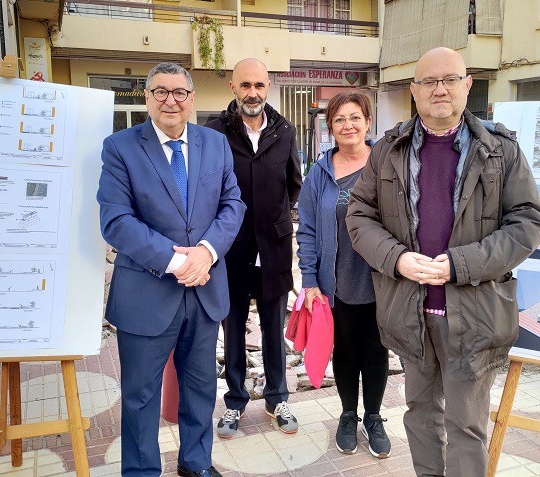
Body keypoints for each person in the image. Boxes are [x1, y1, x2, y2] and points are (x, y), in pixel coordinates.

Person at [346, 47, 540, 476]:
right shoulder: (389, 149)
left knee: (467, 425)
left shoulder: (500, 150)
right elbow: (359, 215)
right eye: (429, 82)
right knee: (419, 415)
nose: (440, 90)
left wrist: (460, 264)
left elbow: (528, 221)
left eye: (450, 80)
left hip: (474, 316)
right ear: (414, 91)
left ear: (467, 86)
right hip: (410, 310)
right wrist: (397, 259)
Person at [97, 62, 246, 477]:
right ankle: (143, 472)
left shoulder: (214, 144)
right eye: (160, 91)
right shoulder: (120, 147)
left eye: (179, 92)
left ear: (192, 98)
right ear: (146, 97)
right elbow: (116, 220)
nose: (170, 100)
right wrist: (179, 261)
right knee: (141, 397)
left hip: (205, 291)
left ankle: (196, 464)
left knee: (200, 390)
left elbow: (233, 204)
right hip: (147, 294)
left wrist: (206, 251)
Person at [205, 58, 302, 438]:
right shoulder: (214, 134)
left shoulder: (285, 131)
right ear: (233, 87)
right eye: (246, 85)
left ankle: (277, 397)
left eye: (260, 85)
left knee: (273, 331)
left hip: (274, 250)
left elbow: (294, 184)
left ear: (268, 88)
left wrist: (277, 217)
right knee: (231, 330)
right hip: (231, 251)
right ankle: (234, 401)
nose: (253, 93)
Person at [296, 92, 391, 458]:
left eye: (355, 118)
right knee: (346, 351)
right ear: (330, 128)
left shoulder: (386, 165)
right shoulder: (319, 174)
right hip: (335, 281)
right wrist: (309, 280)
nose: (348, 125)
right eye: (339, 120)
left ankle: (374, 417)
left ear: (368, 123)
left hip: (380, 278)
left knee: (376, 351)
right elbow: (305, 229)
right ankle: (348, 415)